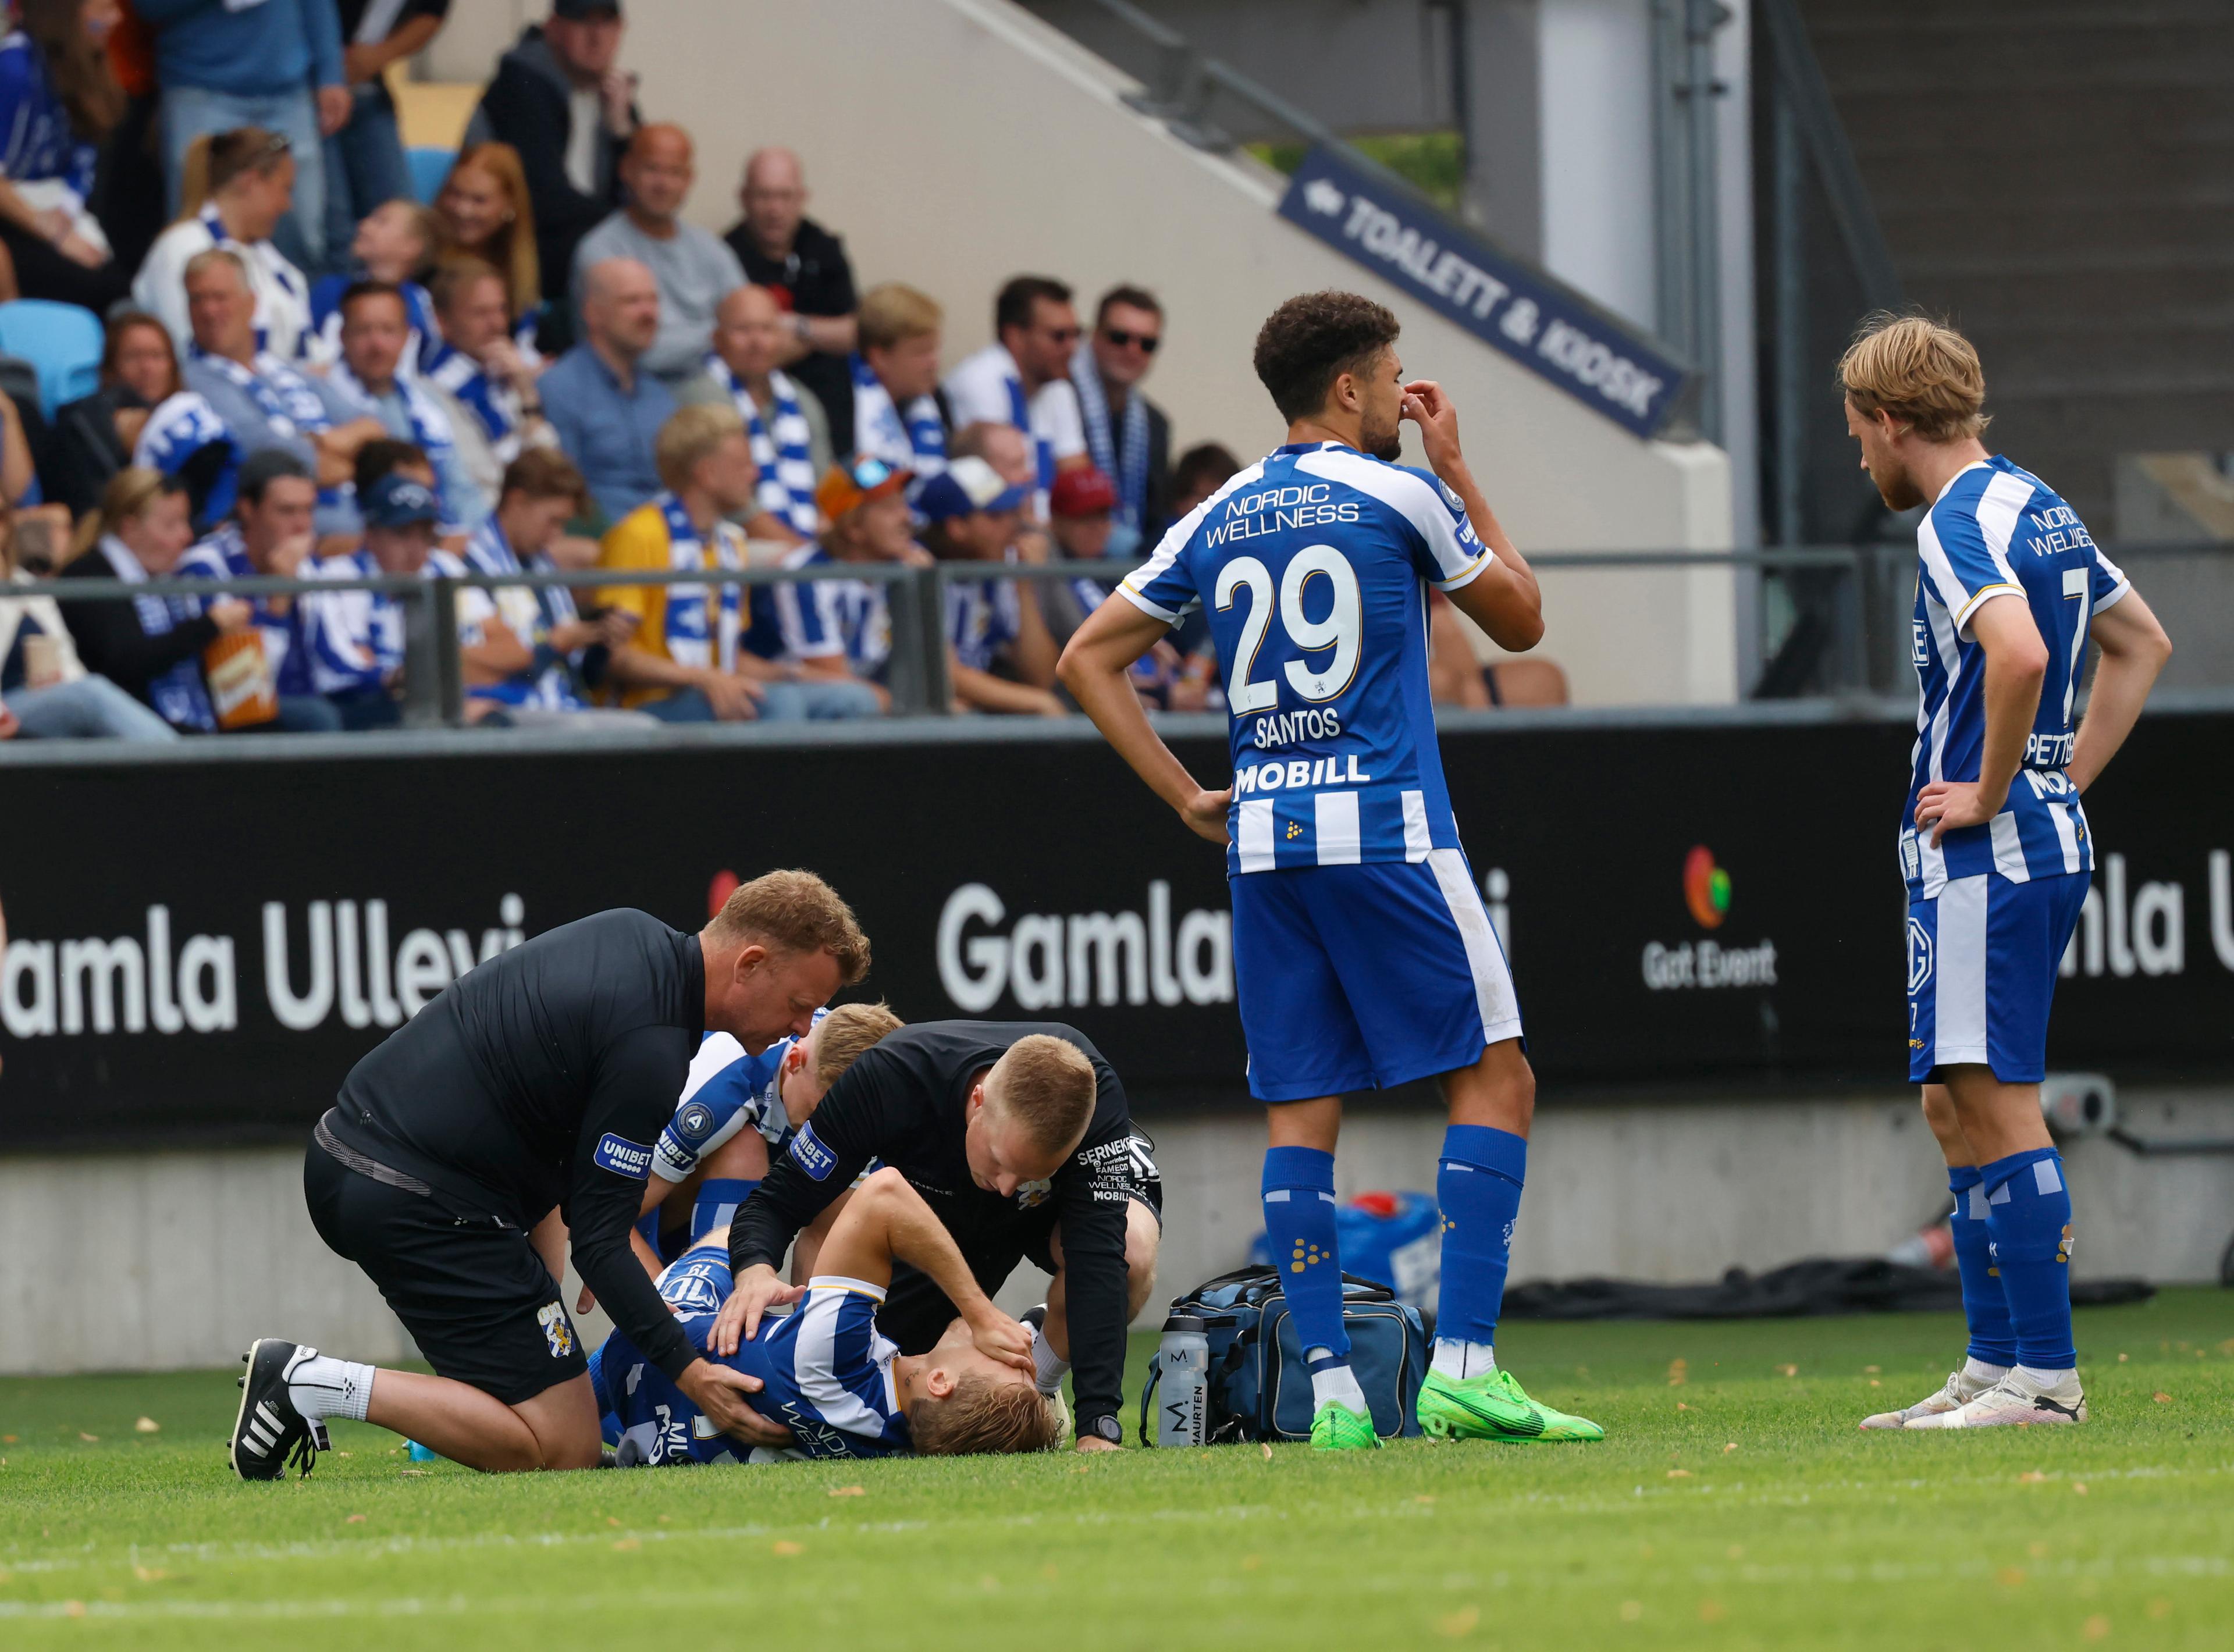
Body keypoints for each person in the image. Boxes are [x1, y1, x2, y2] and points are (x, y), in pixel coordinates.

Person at [1058, 289, 1601, 1451]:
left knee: (1301, 1115)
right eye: (1394, 377)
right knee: (1497, 1080)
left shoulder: (1221, 511)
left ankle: (1337, 1398)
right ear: (1348, 389)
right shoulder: (1401, 490)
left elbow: (1087, 655)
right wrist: (1457, 470)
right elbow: (1522, 621)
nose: (1407, 401)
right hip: (1388, 831)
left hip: (1264, 842)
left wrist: (1183, 793)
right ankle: (1462, 1368)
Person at [226, 871, 871, 1479]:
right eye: (798, 1004)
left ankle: (466, 1400)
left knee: (555, 1403)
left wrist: (545, 1301)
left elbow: (552, 1153)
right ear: (750, 963)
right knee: (565, 1447)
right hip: (413, 1196)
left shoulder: (633, 933)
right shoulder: (652, 1044)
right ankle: (307, 1380)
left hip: (364, 1156)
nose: (799, 1027)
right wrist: (693, 1371)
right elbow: (599, 1239)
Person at [1833, 316, 2172, 1432]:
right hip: (2022, 834)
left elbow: (2021, 652)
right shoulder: (2040, 499)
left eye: (1856, 432)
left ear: (1888, 421)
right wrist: (2059, 774)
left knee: (1993, 1097)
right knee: (1950, 1100)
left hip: (1990, 847)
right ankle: (1992, 1367)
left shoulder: (1954, 521)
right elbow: (2143, 644)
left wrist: (1993, 789)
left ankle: (2047, 1380)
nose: (1860, 456)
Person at [710, 1023, 1162, 1455]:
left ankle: (1036, 1388)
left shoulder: (1093, 1103)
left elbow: (1098, 1260)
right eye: (1001, 1161)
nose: (1008, 1187)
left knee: (1130, 1251)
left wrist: (1098, 1425)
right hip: (938, 1222)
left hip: (1048, 1212)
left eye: (1029, 1173)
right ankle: (1017, 1347)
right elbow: (776, 1202)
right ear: (979, 1100)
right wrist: (753, 1270)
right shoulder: (892, 1078)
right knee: (907, 1403)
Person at [595, 1174, 1054, 1464]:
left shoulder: (836, 1357)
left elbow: (885, 1193)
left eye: (1013, 1364)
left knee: (735, 1232)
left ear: (940, 1383)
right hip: (658, 1438)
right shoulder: (906, 1438)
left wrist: (979, 1308)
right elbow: (1036, 1327)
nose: (1015, 1347)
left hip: (644, 1348)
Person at [597, 404, 876, 724]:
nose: (754, 475)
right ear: (708, 474)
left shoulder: (730, 544)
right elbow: (614, 657)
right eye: (743, 465)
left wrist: (790, 673)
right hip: (650, 704)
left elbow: (728, 657)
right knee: (779, 705)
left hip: (714, 691)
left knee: (854, 698)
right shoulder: (639, 534)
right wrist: (701, 679)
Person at [634, 998, 903, 1270]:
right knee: (744, 1147)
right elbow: (608, 1217)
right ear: (795, 1062)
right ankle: (709, 1286)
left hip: (717, 1194)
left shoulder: (862, 1110)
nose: (826, 1136)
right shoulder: (725, 1078)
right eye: (818, 1115)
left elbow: (822, 1241)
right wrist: (662, 1309)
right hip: (649, 1194)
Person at [158, 249, 381, 540]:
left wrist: (323, 443)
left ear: (251, 303)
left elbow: (375, 429)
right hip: (301, 543)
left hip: (362, 533)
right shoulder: (192, 379)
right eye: (197, 299)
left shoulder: (289, 371)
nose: (208, 311)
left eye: (220, 297)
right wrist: (355, 460)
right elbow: (282, 460)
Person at [433, 448, 652, 729]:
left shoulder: (542, 567)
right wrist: (552, 647)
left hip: (563, 706)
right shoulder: (467, 566)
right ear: (517, 501)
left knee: (643, 729)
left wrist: (600, 637)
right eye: (553, 521)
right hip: (503, 711)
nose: (557, 535)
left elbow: (578, 678)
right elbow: (479, 673)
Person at [137, 0, 345, 269]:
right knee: (195, 228)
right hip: (201, 89)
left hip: (287, 93)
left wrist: (331, 73)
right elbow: (148, 8)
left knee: (301, 229)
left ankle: (295, 308)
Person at [467, 0, 635, 314]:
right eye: (584, 22)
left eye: (607, 24)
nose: (597, 37)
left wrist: (622, 134)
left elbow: (644, 193)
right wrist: (627, 228)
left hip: (587, 250)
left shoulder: (613, 92)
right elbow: (544, 200)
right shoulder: (523, 81)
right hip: (521, 250)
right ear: (553, 28)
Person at [56, 465, 252, 732]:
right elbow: (125, 661)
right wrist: (208, 626)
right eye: (172, 525)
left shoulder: (168, 581)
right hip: (130, 732)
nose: (187, 536)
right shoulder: (86, 577)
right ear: (130, 528)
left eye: (186, 522)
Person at [175, 447, 343, 733]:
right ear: (247, 509)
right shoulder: (207, 567)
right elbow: (242, 688)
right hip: (238, 716)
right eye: (287, 511)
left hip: (307, 700)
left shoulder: (308, 566)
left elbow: (331, 661)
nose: (302, 526)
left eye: (308, 510)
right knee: (318, 717)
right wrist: (278, 597)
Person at [572, 123, 744, 387]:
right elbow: (632, 350)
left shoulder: (711, 248)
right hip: (631, 389)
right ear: (626, 170)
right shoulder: (601, 250)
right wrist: (719, 337)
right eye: (652, 169)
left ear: (689, 179)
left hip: (721, 381)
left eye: (675, 172)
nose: (663, 184)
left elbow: (750, 324)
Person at [1, 489, 178, 740]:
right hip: (6, 709)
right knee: (90, 695)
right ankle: (180, 764)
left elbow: (71, 667)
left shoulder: (27, 586)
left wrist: (59, 685)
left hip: (39, 703)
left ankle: (175, 764)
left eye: (0, 517)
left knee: (87, 698)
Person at [133, 126, 312, 362]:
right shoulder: (180, 248)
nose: (287, 205)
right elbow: (186, 352)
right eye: (285, 189)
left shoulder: (265, 256)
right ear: (251, 182)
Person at [328, 279, 489, 537]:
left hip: (446, 542)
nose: (377, 345)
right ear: (342, 336)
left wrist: (465, 537)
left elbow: (464, 493)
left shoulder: (430, 399)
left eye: (388, 330)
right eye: (363, 331)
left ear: (406, 336)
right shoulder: (321, 398)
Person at [721, 147, 856, 453]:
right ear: (744, 197)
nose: (775, 209)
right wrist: (822, 335)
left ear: (802, 198)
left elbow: (855, 333)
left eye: (785, 197)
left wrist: (797, 326)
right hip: (759, 423)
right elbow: (750, 354)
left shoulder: (822, 245)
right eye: (764, 196)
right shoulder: (725, 257)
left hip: (837, 420)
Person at [0, 0, 131, 310]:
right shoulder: (15, 67)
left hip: (54, 203)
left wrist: (65, 214)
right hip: (14, 212)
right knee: (92, 286)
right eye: (104, 9)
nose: (117, 18)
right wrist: (51, 233)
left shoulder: (86, 64)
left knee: (116, 284)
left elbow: (83, 159)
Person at [682, 284, 829, 542]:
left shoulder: (803, 400)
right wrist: (806, 557)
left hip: (803, 544)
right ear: (717, 338)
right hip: (727, 542)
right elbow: (734, 504)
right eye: (743, 330)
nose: (757, 342)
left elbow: (826, 487)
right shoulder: (703, 397)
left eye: (766, 329)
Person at [919, 454, 1062, 718]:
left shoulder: (997, 569)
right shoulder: (921, 570)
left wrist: (1024, 585)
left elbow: (1041, 676)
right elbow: (946, 674)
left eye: (1012, 512)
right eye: (996, 516)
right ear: (956, 527)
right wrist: (1037, 701)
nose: (1013, 525)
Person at [772, 457, 922, 708]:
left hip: (867, 698)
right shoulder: (806, 575)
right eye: (889, 508)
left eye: (903, 505)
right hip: (797, 709)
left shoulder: (905, 568)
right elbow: (832, 678)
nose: (907, 517)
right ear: (853, 527)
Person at [541, 255, 672, 524]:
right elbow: (561, 492)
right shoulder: (558, 389)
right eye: (632, 301)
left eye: (653, 300)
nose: (649, 313)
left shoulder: (661, 395)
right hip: (601, 546)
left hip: (673, 541)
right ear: (593, 313)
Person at [303, 468, 436, 728]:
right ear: (371, 533)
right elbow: (342, 668)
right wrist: (393, 676)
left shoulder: (439, 572)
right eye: (403, 533)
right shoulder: (340, 577)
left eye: (426, 535)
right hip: (353, 708)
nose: (416, 550)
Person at [322, 0, 449, 261]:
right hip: (313, 91)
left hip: (368, 87)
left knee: (403, 223)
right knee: (333, 227)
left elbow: (432, 12)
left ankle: (397, 296)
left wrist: (376, 57)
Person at [422, 257, 554, 502]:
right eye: (480, 313)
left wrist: (526, 391)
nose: (497, 324)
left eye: (502, 309)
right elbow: (501, 482)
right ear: (442, 322)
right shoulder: (438, 389)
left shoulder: (506, 371)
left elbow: (550, 466)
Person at [943, 275, 1088, 499]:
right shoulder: (980, 380)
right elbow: (991, 488)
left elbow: (1077, 478)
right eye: (1059, 337)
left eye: (1076, 335)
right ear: (1016, 337)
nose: (1072, 348)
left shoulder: (1058, 386)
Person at [1072, 284, 1172, 556]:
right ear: (1094, 336)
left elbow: (1155, 516)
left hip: (1129, 572)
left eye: (1147, 344)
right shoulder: (1061, 401)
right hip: (1066, 566)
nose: (1133, 351)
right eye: (1120, 337)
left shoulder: (1156, 424)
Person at [49, 311, 180, 515]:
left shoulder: (193, 420)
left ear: (173, 366)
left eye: (157, 356)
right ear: (110, 369)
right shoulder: (83, 426)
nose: (147, 368)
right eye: (133, 357)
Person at [306, 197, 439, 367]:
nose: (363, 226)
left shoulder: (418, 303)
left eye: (380, 222)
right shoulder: (330, 289)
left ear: (411, 246)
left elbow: (418, 364)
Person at [433, 141, 540, 333]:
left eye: (479, 200)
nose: (463, 210)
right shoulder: (424, 265)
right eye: (455, 194)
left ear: (510, 204)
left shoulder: (522, 271)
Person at [851, 282, 947, 482]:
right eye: (921, 352)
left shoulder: (936, 399)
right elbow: (853, 480)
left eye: (934, 350)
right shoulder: (843, 406)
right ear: (880, 358)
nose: (934, 363)